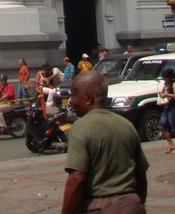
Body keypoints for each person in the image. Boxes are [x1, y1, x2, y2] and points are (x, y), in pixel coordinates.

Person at [62, 70, 148, 214]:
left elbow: (77, 179)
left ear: (88, 98)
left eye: (74, 95)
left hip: (98, 206)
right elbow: (141, 176)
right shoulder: (126, 125)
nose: (71, 101)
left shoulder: (81, 127)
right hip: (132, 205)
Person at [158, 68, 175, 155]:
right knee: (163, 125)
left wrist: (167, 94)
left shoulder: (174, 84)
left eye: (166, 77)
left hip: (174, 108)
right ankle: (170, 145)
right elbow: (163, 93)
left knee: (174, 128)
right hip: (166, 107)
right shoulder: (165, 84)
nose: (165, 79)